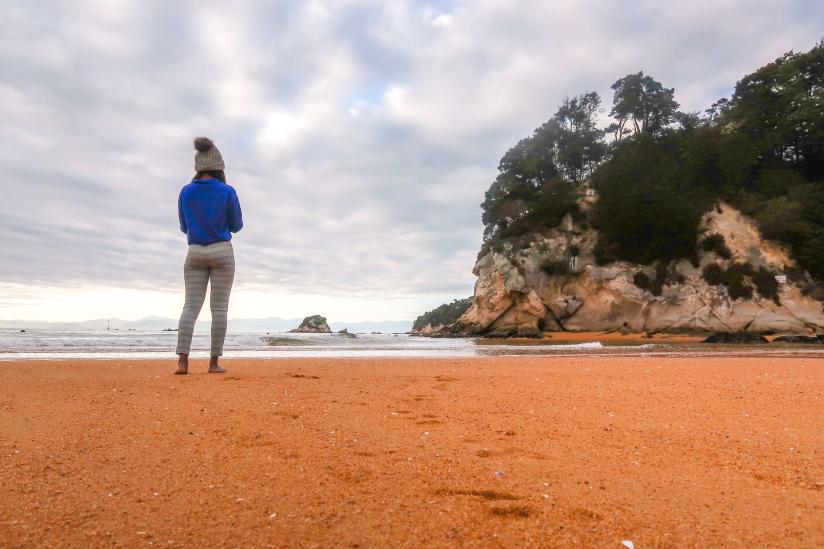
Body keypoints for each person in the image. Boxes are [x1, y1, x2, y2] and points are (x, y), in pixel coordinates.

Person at [174, 137, 243, 374]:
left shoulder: (186, 191)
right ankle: (213, 363)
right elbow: (237, 226)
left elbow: (184, 227)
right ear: (219, 167)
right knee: (220, 309)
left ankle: (182, 361)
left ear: (198, 166)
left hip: (194, 252)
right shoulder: (227, 191)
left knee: (190, 307)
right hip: (222, 251)